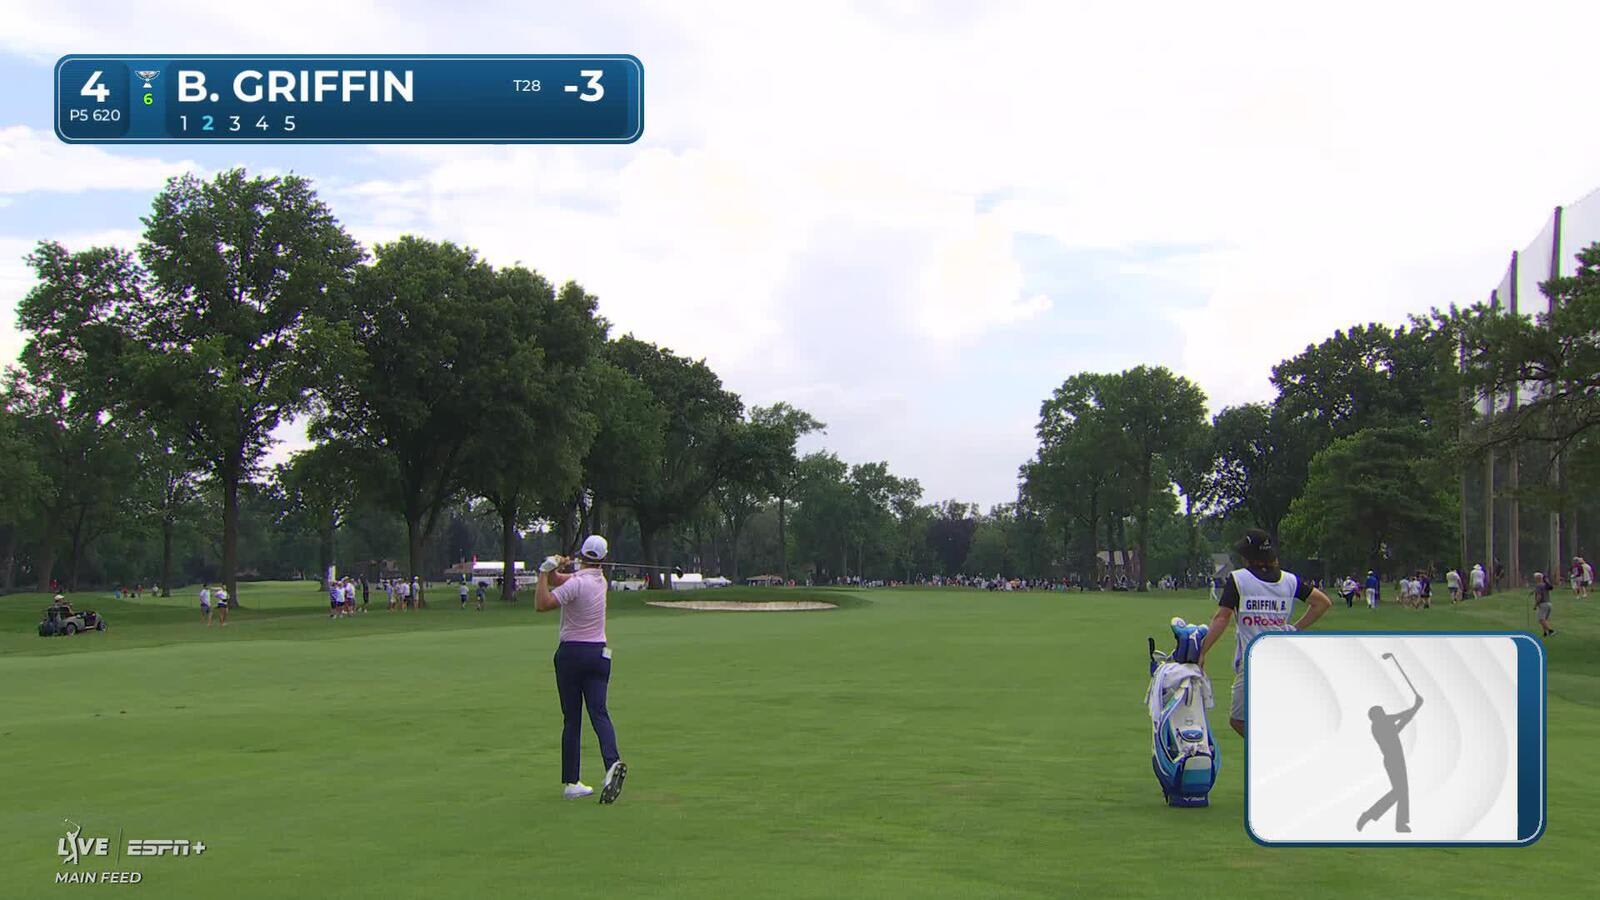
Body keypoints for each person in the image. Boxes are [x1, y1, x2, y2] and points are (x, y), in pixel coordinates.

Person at [1198, 529, 1332, 739]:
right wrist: (1294, 629)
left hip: (1253, 659)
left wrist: (1202, 650)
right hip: (1283, 656)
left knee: (1238, 720)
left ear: (1248, 556)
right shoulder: (1289, 580)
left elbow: (1222, 618)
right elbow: (1322, 603)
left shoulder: (1239, 579)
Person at [535, 534, 627, 804]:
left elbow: (542, 603)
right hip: (599, 655)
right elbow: (560, 581)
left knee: (572, 719)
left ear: (583, 555)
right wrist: (556, 568)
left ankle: (572, 782)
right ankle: (612, 763)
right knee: (599, 712)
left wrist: (543, 572)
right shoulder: (600, 582)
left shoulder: (577, 584)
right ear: (604, 559)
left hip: (572, 654)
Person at [1356, 688, 1424, 834]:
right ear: (1377, 716)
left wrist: (1416, 708)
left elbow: (1403, 722)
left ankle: (1399, 824)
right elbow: (1401, 716)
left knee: (1401, 792)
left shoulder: (1385, 725)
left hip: (1396, 760)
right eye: (1382, 711)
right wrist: (1416, 706)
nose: (1384, 713)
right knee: (1399, 792)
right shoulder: (1379, 725)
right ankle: (1371, 814)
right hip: (1393, 761)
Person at [1533, 572, 1555, 637]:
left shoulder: (1538, 585)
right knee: (1544, 619)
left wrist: (1535, 605)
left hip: (1543, 604)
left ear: (1537, 578)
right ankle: (1545, 633)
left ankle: (1551, 631)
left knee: (1541, 619)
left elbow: (1539, 596)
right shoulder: (1545, 585)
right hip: (1549, 604)